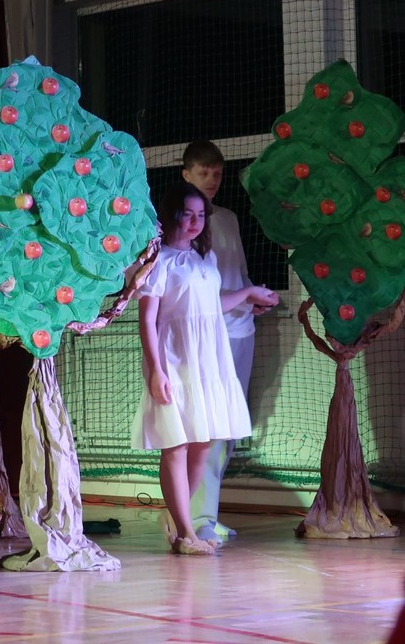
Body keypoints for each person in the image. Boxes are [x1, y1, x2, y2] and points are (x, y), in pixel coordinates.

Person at [133, 182, 278, 555]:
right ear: (172, 215)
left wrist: (248, 295)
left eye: (201, 215)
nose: (195, 222)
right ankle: (186, 533)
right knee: (177, 444)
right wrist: (157, 370)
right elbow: (147, 320)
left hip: (208, 360)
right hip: (174, 358)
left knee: (203, 442)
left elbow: (212, 304)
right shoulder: (159, 261)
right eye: (188, 214)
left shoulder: (205, 258)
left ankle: (178, 519)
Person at [181, 140, 268, 541]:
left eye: (216, 173)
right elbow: (194, 292)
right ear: (186, 175)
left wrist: (253, 299)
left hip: (241, 330)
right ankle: (194, 519)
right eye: (204, 172)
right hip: (207, 335)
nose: (212, 179)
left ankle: (206, 513)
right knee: (207, 428)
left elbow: (239, 273)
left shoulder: (229, 219)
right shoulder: (182, 227)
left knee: (229, 427)